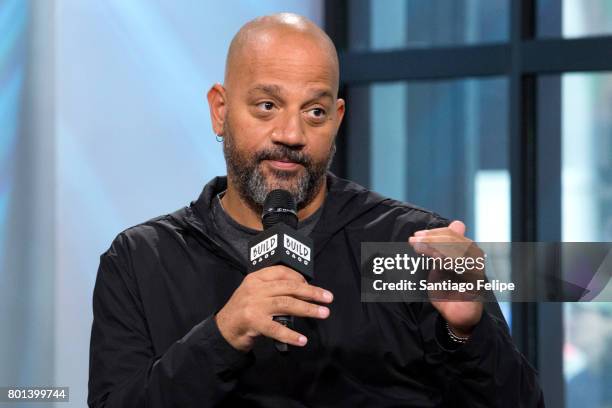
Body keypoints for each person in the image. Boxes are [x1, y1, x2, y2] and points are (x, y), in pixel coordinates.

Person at [88, 13, 544, 407]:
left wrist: (466, 335)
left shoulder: (408, 246)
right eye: (267, 106)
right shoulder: (141, 261)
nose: (291, 133)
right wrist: (221, 335)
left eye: (315, 112)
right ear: (220, 110)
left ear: (338, 118)